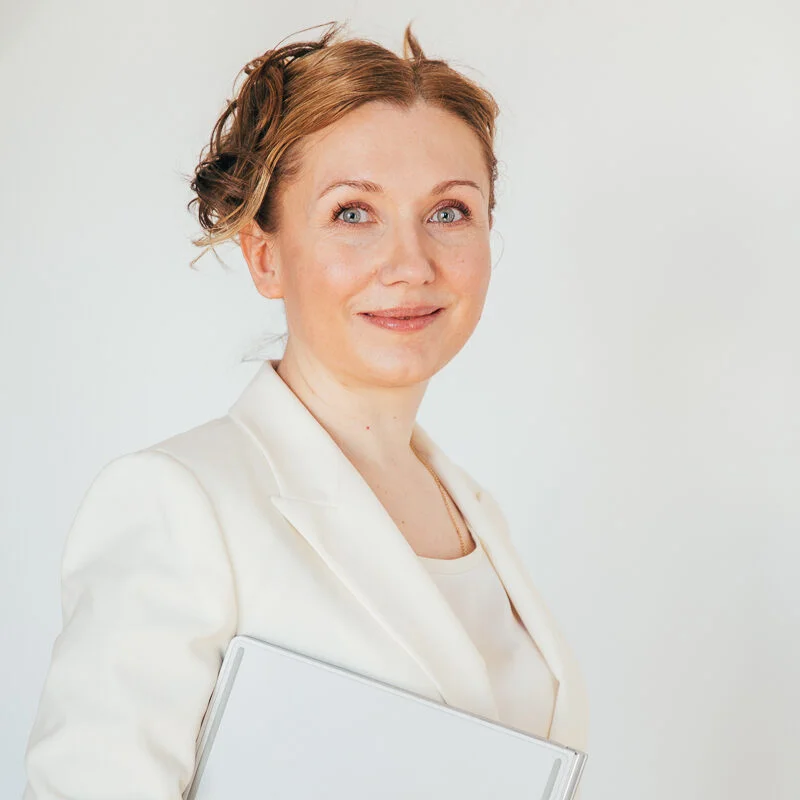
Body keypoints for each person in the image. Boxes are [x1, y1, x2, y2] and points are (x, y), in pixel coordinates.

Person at [22, 20, 589, 799]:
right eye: (353, 213)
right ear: (265, 257)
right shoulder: (180, 503)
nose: (410, 264)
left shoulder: (478, 516)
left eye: (449, 212)